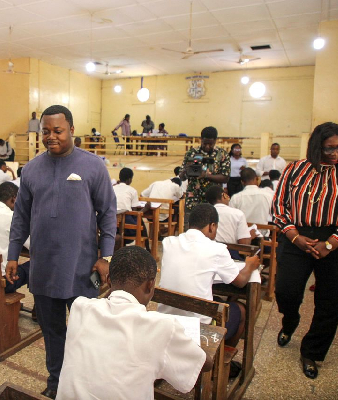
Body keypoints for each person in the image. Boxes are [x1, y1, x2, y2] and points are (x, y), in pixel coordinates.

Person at [7, 105, 117, 398]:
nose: (51, 137)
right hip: (43, 268)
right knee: (52, 331)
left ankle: (87, 381)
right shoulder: (31, 169)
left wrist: (105, 257)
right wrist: (12, 255)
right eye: (46, 131)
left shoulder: (92, 166)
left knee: (87, 331)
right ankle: (56, 382)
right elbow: (20, 217)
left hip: (82, 269)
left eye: (58, 131)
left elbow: (108, 214)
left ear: (71, 130)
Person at [272, 122, 338, 379]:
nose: (335, 153)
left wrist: (331, 243)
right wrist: (295, 237)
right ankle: (290, 320)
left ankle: (311, 351)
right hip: (297, 236)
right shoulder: (295, 169)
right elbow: (279, 206)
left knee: (329, 300)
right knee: (286, 289)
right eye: (329, 148)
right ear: (317, 146)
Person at [57, 246, 210, 400]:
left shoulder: (80, 307)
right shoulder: (162, 327)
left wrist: (115, 286)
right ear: (150, 285)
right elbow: (205, 363)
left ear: (109, 281)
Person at [158, 204, 260, 353]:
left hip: (166, 321)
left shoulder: (169, 243)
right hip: (197, 329)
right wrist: (249, 266)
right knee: (240, 310)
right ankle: (218, 359)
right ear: (212, 226)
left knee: (214, 298)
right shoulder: (216, 249)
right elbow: (240, 281)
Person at [178, 126, 230, 229]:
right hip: (193, 200)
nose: (207, 146)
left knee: (211, 230)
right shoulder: (191, 153)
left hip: (213, 200)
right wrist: (186, 170)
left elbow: (225, 177)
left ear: (215, 141)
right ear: (201, 139)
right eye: (204, 143)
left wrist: (206, 175)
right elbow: (181, 177)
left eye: (210, 144)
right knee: (190, 230)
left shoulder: (222, 154)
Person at [114, 168, 150, 249]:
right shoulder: (132, 190)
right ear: (130, 179)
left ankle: (148, 249)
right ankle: (148, 249)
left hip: (112, 224)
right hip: (127, 229)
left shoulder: (113, 188)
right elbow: (135, 213)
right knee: (140, 220)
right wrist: (145, 209)